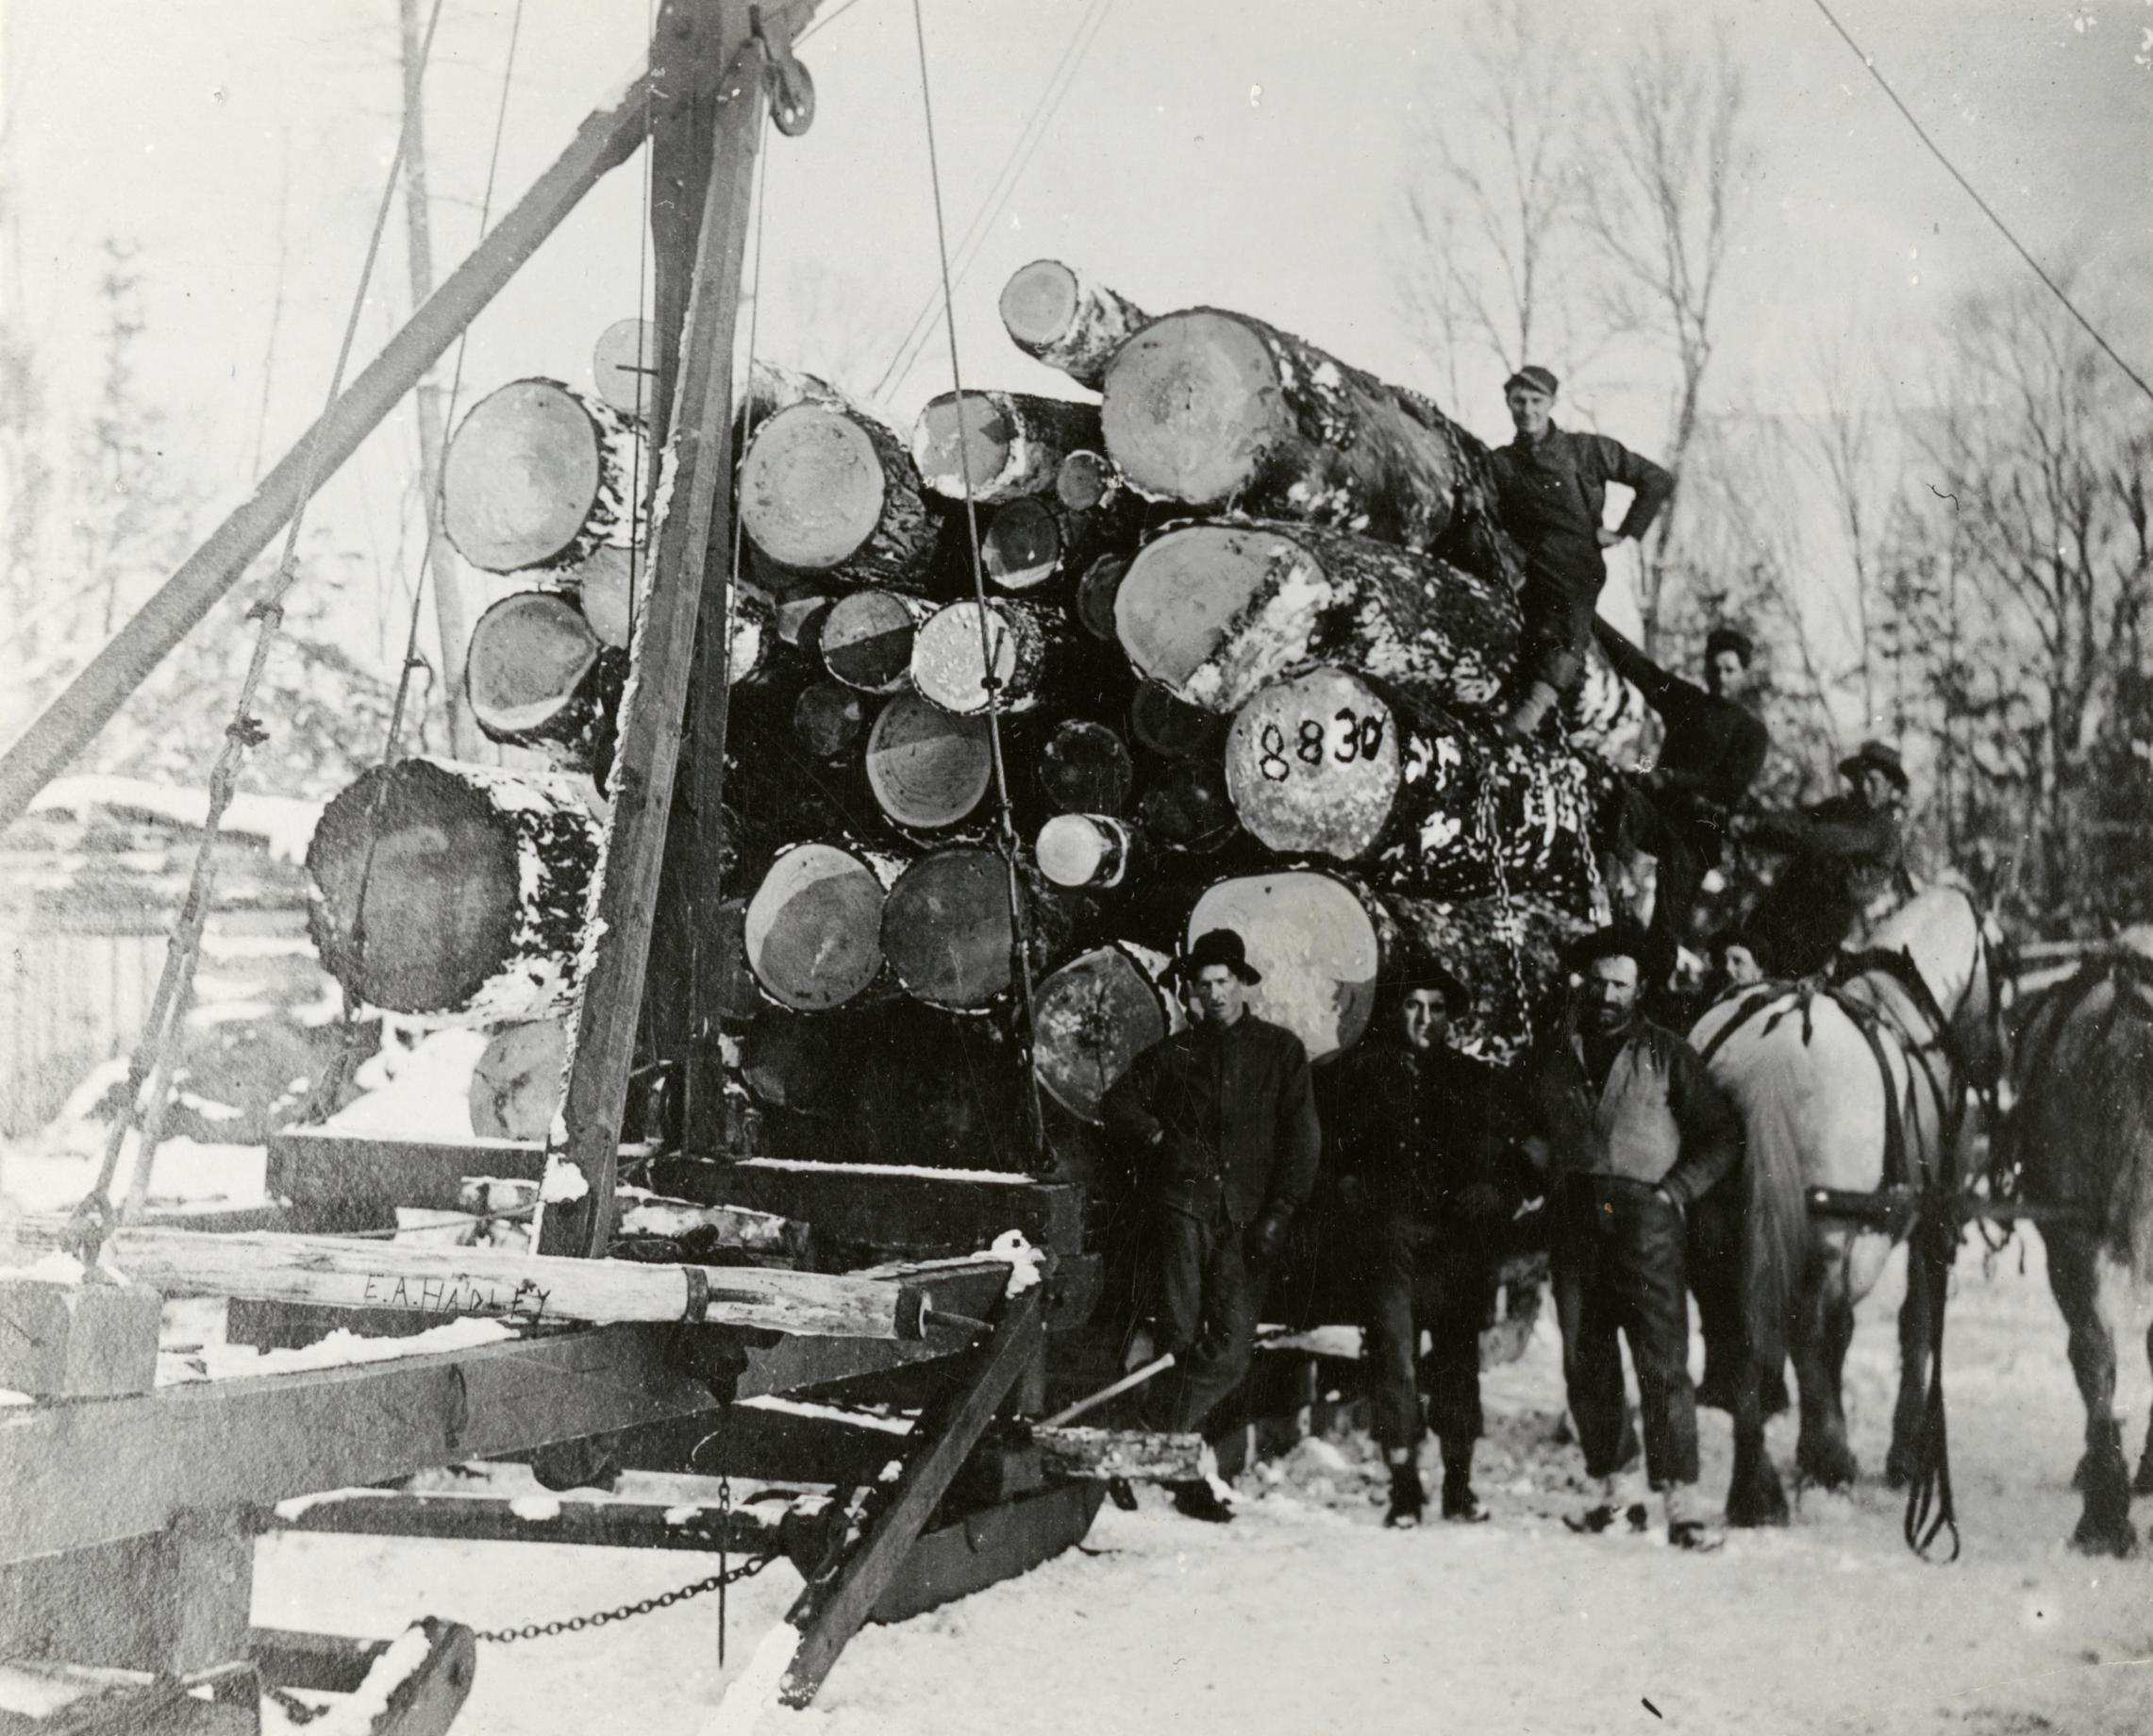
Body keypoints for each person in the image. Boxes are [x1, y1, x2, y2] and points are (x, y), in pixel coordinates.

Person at [1518, 926, 1742, 1550]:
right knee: (1584, 1358)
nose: (1607, 995)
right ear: (1583, 984)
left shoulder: (1668, 1054)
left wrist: (1675, 1191)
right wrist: (1538, 1164)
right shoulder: (1554, 1055)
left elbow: (1721, 1136)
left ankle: (1682, 1504)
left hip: (1648, 1226)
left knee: (1662, 1360)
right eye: (1598, 982)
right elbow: (1523, 1125)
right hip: (1575, 1223)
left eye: (1620, 984)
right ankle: (1616, 1493)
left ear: (1639, 988)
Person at [1100, 928, 1321, 1522]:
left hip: (1246, 1220)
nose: (1215, 994)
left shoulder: (1280, 1052)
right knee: (1178, 1339)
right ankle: (1182, 1474)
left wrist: (1282, 1211)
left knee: (1229, 1352)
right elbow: (1116, 1103)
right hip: (1183, 1211)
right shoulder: (1175, 1054)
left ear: (1242, 984)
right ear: (1193, 992)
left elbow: (1302, 1140)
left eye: (1224, 981)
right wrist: (1157, 1138)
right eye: (1204, 985)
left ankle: (1140, 1436)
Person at [1331, 960, 1514, 1527]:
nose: (1424, 1019)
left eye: (1436, 1009)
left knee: (1458, 1360)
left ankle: (1459, 1484)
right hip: (1391, 1243)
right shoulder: (1363, 1076)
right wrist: (1355, 1193)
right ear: (1396, 1012)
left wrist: (1491, 1193)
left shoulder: (1473, 1080)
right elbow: (1336, 1153)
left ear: (1449, 1018)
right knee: (1394, 1358)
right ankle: (1404, 1486)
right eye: (1413, 1006)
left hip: (1457, 1246)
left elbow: (1507, 1157)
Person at [1488, 366, 1675, 739]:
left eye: (1537, 401)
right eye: (1519, 401)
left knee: (1566, 607)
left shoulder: (1585, 450)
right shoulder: (1500, 462)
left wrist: (1624, 531)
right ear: (1508, 403)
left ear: (1552, 403)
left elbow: (1655, 478)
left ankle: (1535, 705)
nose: (1527, 410)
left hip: (1574, 561)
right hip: (1522, 559)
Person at [1597, 623, 1770, 958]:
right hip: (1658, 814)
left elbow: (1730, 787)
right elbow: (1641, 669)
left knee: (1667, 926)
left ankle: (1656, 980)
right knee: (1625, 803)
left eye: (1730, 670)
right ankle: (1605, 892)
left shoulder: (1752, 731)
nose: (1721, 677)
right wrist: (1592, 620)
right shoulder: (1687, 701)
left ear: (1744, 674)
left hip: (1697, 834)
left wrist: (1673, 777)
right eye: (1715, 668)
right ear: (1705, 667)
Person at [1733, 740, 1912, 978]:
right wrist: (1752, 826)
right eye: (1860, 779)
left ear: (1890, 787)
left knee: (1779, 990)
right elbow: (1794, 825)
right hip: (1777, 910)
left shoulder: (1887, 835)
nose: (1864, 787)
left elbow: (1861, 888)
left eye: (1873, 781)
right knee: (1734, 968)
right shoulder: (1834, 809)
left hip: (1815, 935)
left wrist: (1819, 855)